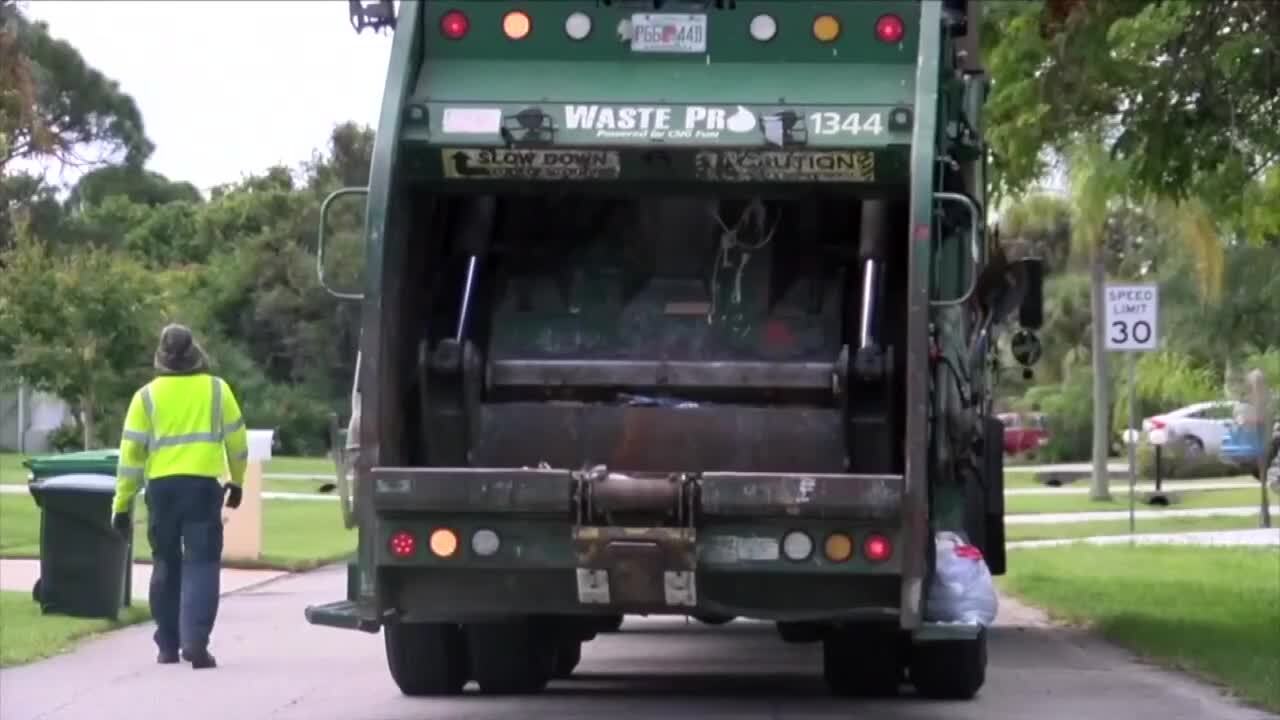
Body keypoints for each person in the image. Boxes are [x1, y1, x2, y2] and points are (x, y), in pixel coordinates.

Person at [110, 323, 250, 669]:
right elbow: (238, 444)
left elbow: (130, 459)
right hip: (203, 487)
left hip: (162, 490)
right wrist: (237, 481)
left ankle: (168, 645)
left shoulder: (145, 397)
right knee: (202, 562)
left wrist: (121, 505)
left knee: (166, 563)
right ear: (195, 354)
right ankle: (196, 641)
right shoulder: (218, 391)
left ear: (161, 358)